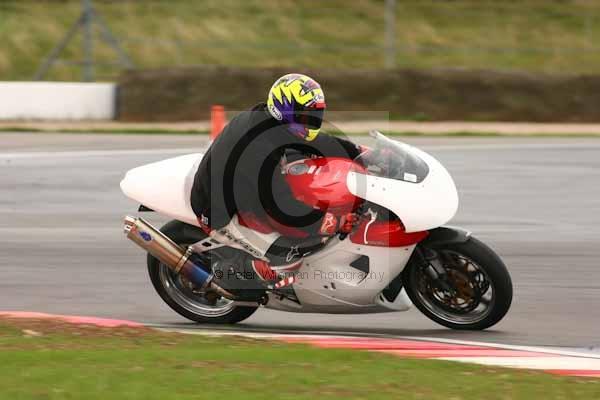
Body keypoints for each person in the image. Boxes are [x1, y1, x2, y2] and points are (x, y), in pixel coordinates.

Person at [190, 73, 361, 295]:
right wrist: (329, 221)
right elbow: (280, 205)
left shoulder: (275, 121)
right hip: (217, 208)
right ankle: (229, 273)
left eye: (315, 115)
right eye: (306, 116)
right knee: (284, 260)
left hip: (242, 187)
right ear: (286, 109)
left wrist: (358, 152)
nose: (311, 121)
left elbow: (317, 142)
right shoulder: (259, 145)